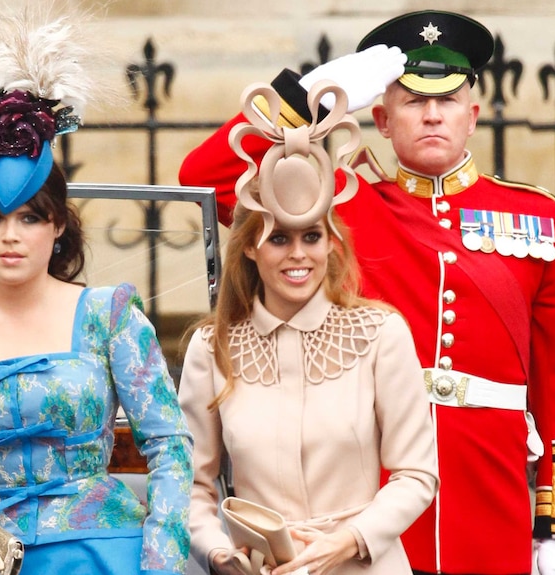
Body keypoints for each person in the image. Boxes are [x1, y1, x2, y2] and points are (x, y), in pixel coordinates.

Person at [179, 10, 555, 575]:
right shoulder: (341, 201)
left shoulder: (536, 215)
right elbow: (205, 177)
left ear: (472, 117)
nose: (431, 115)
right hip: (368, 500)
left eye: (446, 102)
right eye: (413, 101)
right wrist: (313, 96)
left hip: (490, 496)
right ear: (380, 116)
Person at [0, 10, 193, 575]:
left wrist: (161, 563)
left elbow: (171, 450)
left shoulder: (109, 318)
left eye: (31, 218)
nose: (11, 235)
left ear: (58, 225)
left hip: (103, 555)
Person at [178, 80, 438, 575]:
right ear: (251, 248)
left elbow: (416, 474)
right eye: (279, 238)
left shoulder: (380, 333)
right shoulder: (212, 348)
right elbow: (193, 485)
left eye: (312, 236)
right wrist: (219, 553)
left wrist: (346, 542)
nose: (298, 254)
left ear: (330, 242)